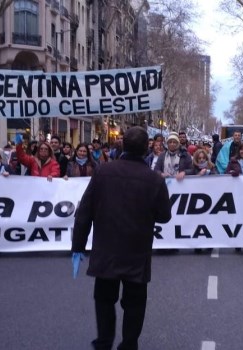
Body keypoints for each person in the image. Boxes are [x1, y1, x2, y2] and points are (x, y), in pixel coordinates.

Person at [72, 126, 172, 350]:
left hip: (106, 247)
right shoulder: (154, 179)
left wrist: (77, 246)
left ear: (122, 145)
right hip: (137, 250)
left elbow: (84, 212)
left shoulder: (103, 172)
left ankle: (104, 341)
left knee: (104, 299)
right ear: (146, 148)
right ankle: (128, 344)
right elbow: (165, 216)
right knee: (135, 302)